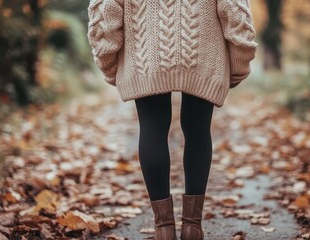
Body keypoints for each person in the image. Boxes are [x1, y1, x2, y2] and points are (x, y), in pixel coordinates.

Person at [87, 0, 257, 239]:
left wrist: (110, 63)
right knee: (198, 130)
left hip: (145, 55)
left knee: (152, 129)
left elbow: (106, 12)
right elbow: (234, 9)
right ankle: (192, 227)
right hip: (203, 54)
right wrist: (237, 64)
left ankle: (163, 229)